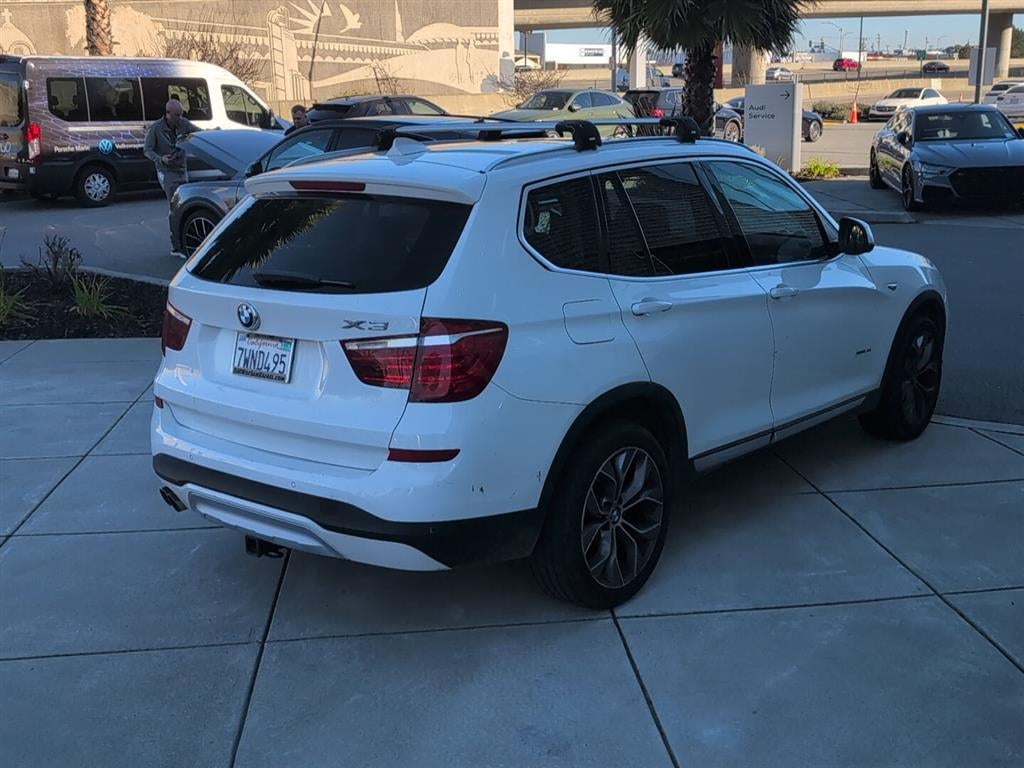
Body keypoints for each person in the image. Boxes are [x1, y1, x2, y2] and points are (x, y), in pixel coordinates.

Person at [144, 99, 200, 259]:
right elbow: (147, 150)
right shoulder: (156, 128)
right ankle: (176, 246)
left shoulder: (184, 124)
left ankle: (188, 240)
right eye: (176, 115)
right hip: (166, 171)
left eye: (181, 114)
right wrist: (161, 159)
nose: (179, 118)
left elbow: (199, 133)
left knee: (185, 204)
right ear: (168, 114)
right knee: (175, 206)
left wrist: (216, 133)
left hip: (182, 169)